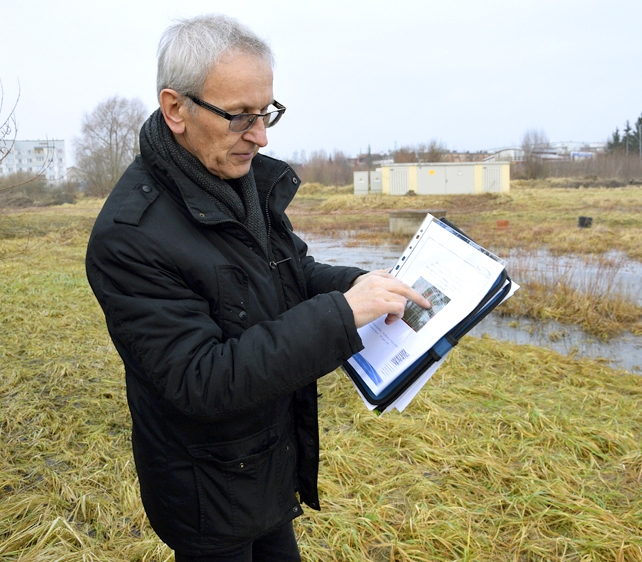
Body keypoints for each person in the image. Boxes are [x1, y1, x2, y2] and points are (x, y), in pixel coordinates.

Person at [85, 14, 429, 561]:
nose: (261, 136)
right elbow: (203, 379)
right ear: (176, 109)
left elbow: (288, 274)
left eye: (266, 112)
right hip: (205, 488)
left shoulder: (241, 182)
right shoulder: (130, 237)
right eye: (240, 116)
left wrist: (364, 285)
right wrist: (343, 315)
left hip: (267, 462)